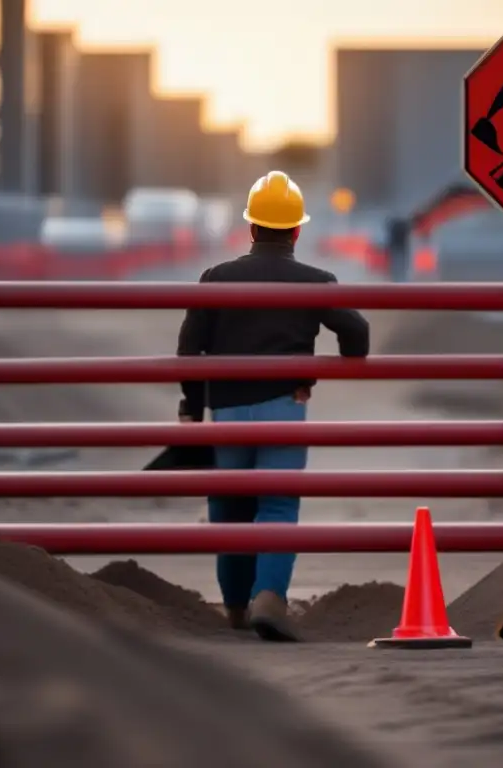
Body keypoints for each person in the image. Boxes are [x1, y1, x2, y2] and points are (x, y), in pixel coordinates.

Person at [176, 170, 370, 641]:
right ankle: (270, 596)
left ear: (252, 228)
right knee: (278, 507)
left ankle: (238, 610)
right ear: (297, 231)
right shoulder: (315, 281)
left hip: (226, 415)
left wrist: (192, 404)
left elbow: (189, 346)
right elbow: (357, 331)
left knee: (228, 512)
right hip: (285, 405)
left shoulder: (216, 278)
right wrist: (337, 363)